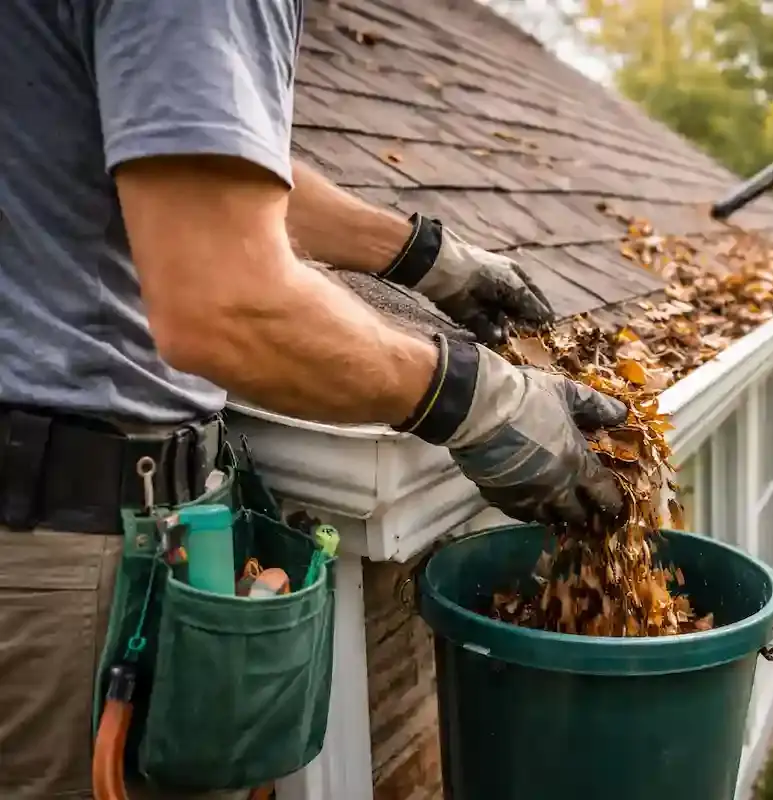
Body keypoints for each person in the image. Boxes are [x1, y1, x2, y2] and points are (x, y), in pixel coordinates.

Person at [0, 2, 629, 798]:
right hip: (61, 544)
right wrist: (479, 399)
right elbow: (224, 303)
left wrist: (422, 256)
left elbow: (185, 151)